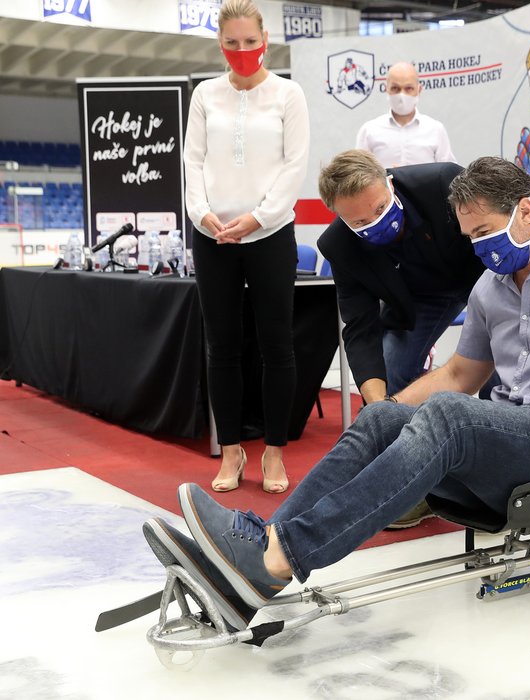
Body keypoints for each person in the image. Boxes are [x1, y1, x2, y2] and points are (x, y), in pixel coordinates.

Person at [149, 156, 530, 622]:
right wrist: (387, 409)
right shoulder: (491, 288)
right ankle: (262, 547)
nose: (481, 248)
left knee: (449, 417)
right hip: (517, 437)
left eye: (487, 231)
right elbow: (462, 375)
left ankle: (278, 559)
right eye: (471, 238)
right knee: (380, 418)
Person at [315, 149, 484, 528]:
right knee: (387, 378)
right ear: (341, 218)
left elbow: (492, 234)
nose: (376, 222)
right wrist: (379, 409)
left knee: (503, 372)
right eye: (360, 221)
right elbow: (359, 326)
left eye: (380, 208)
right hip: (419, 301)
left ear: (390, 183)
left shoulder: (445, 182)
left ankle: (491, 482)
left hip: (482, 275)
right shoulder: (339, 245)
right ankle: (408, 485)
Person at [183, 0, 309, 494]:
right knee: (222, 347)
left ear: (265, 41)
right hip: (213, 235)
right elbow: (193, 162)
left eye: (250, 42)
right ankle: (232, 449)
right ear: (221, 44)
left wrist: (257, 217)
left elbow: (294, 165)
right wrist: (202, 213)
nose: (242, 51)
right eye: (231, 43)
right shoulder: (205, 96)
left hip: (271, 233)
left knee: (277, 346)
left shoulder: (288, 95)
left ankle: (274, 452)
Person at [355, 61, 456, 168]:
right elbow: (358, 174)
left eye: (409, 88)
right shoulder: (369, 131)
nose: (402, 95)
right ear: (386, 89)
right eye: (395, 88)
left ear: (419, 90)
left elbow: (449, 175)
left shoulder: (436, 130)